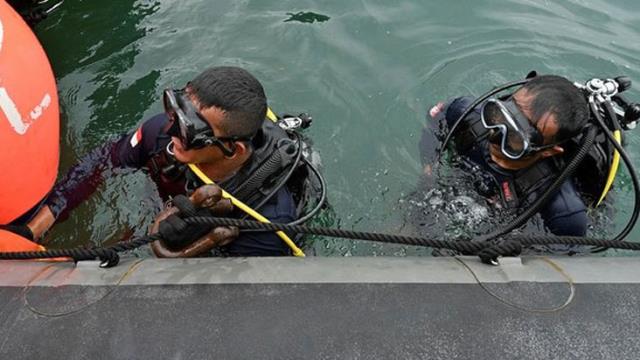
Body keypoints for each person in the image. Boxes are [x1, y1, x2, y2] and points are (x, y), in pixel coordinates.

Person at [12, 66, 312, 257]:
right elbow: (104, 159)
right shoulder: (164, 134)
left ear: (232, 150)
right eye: (176, 111)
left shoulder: (267, 226)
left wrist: (186, 247)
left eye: (190, 130)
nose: (170, 130)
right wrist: (39, 225)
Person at [419, 74, 592, 237]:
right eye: (500, 116)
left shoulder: (564, 214)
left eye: (516, 137)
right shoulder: (464, 112)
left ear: (548, 151)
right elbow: (436, 122)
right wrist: (429, 168)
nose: (494, 135)